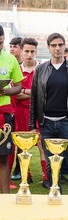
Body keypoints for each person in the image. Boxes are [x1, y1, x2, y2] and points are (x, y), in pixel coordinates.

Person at [29, 32, 68, 195]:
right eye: (53, 45)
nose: (57, 48)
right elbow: (34, 98)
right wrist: (32, 125)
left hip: (67, 123)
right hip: (46, 124)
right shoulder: (40, 70)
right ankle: (56, 197)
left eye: (60, 45)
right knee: (52, 164)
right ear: (48, 48)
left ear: (64, 46)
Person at [13, 37, 50, 189]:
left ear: (36, 52)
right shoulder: (17, 69)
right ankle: (25, 175)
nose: (29, 54)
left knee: (41, 143)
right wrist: (32, 92)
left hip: (38, 111)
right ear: (21, 51)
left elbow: (45, 93)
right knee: (22, 145)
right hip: (20, 111)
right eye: (27, 51)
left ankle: (46, 176)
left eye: (32, 51)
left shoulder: (41, 70)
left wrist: (24, 92)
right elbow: (15, 94)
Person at [0, 25, 23, 193]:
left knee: (3, 158)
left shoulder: (10, 59)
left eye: (0, 42)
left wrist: (5, 90)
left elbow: (18, 87)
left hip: (4, 115)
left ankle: (5, 199)